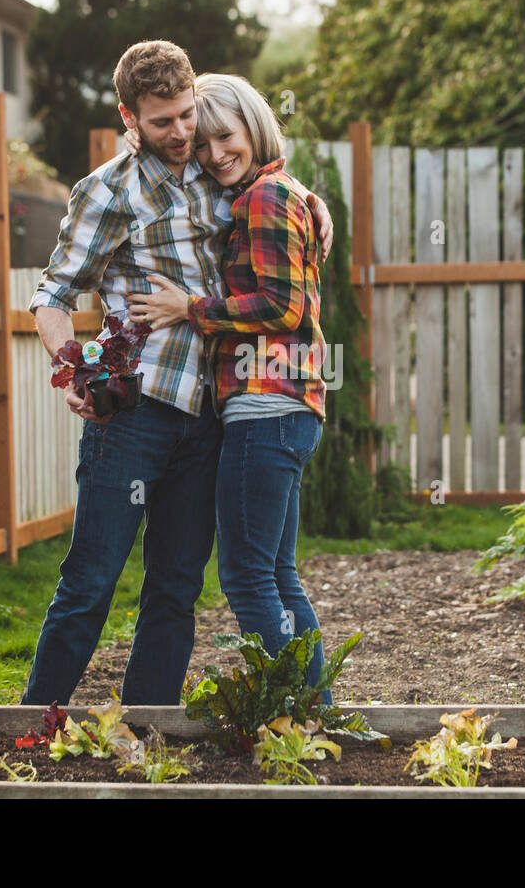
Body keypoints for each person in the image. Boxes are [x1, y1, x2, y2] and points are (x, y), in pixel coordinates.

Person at [22, 42, 333, 707]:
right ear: (129, 117)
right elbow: (53, 295)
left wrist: (312, 202)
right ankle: (30, 726)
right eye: (161, 122)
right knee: (92, 578)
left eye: (187, 116)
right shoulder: (106, 192)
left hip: (212, 416)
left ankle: (147, 726)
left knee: (175, 587)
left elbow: (266, 178)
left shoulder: (210, 163)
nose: (181, 134)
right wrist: (70, 363)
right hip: (135, 411)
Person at [126, 73, 333, 698]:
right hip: (288, 408)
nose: (216, 153)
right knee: (276, 574)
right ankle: (315, 711)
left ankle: (293, 711)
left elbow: (281, 307)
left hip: (265, 404)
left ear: (253, 125)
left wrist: (189, 307)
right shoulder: (272, 192)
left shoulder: (266, 198)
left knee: (247, 579)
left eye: (227, 136)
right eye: (204, 140)